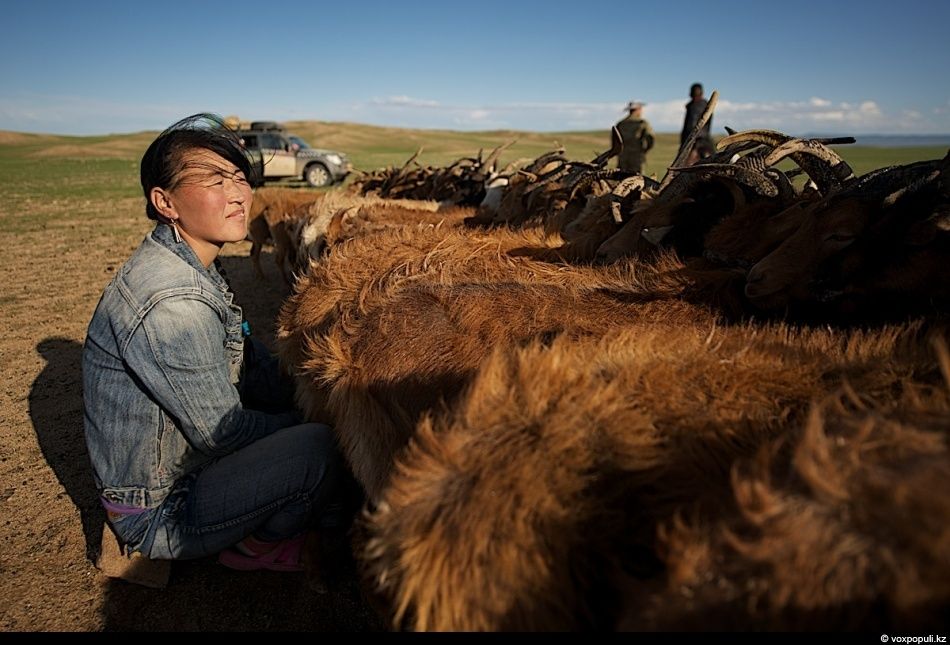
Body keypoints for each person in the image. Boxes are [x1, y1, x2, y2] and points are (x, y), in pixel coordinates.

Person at [82, 113, 342, 573]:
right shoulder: (173, 301)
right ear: (165, 202)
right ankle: (257, 547)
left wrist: (319, 385)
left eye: (240, 178)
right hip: (164, 506)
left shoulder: (194, 263)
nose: (239, 194)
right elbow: (223, 433)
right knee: (321, 448)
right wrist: (314, 418)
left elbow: (250, 362)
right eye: (216, 181)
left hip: (182, 470)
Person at [612, 100, 655, 174]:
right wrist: (645, 150)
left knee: (621, 177)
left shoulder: (621, 123)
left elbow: (614, 141)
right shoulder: (642, 123)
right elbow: (650, 138)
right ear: (638, 109)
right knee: (637, 178)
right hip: (637, 157)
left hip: (623, 157)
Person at [680, 83, 714, 164]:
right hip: (704, 141)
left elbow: (692, 127)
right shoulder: (706, 105)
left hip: (695, 143)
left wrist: (688, 145)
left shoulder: (694, 106)